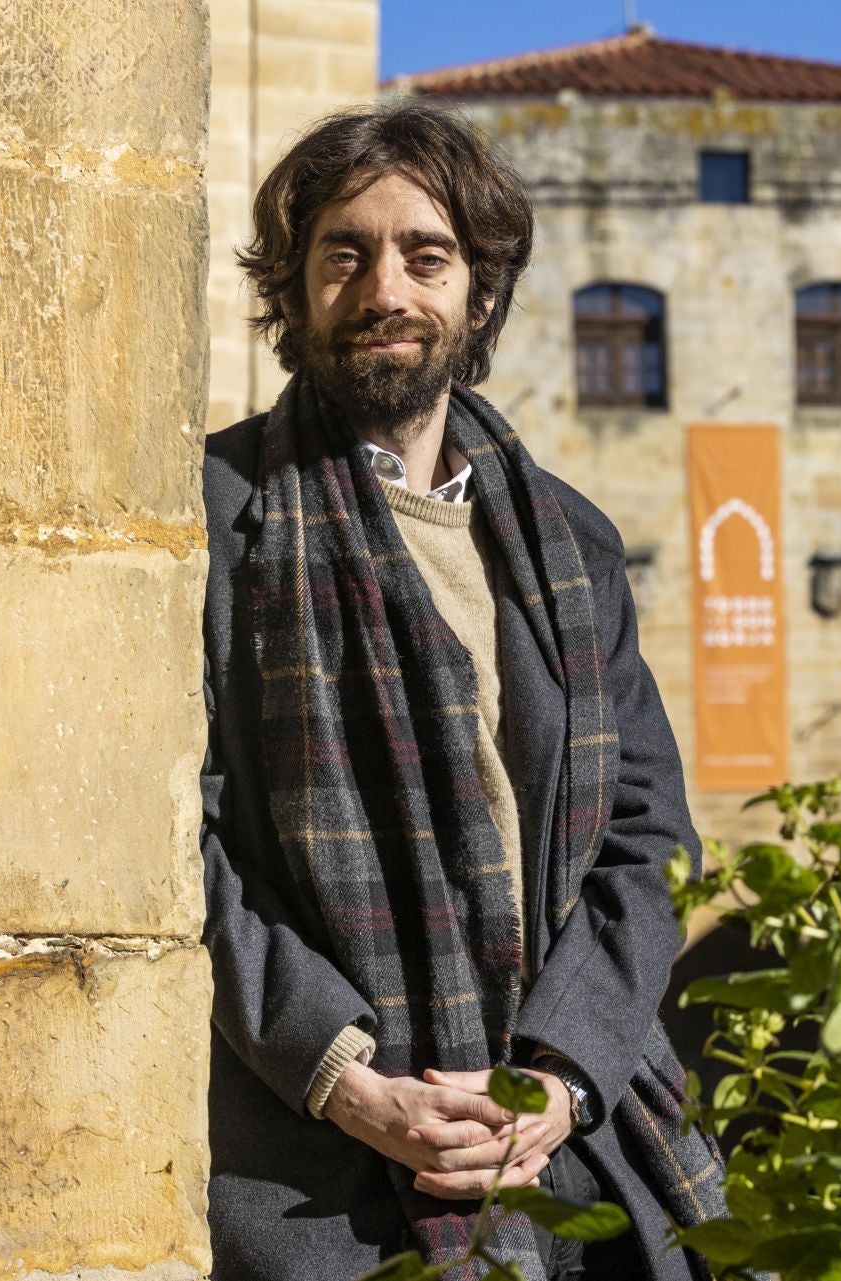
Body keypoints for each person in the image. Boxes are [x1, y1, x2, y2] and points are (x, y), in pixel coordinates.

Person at [199, 99, 724, 1280]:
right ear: (294, 292)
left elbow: (649, 840)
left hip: (572, 1134)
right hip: (309, 1154)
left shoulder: (569, 545)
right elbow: (172, 841)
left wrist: (564, 1072)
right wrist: (341, 1076)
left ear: (479, 295)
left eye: (425, 256)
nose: (386, 288)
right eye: (345, 255)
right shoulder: (212, 521)